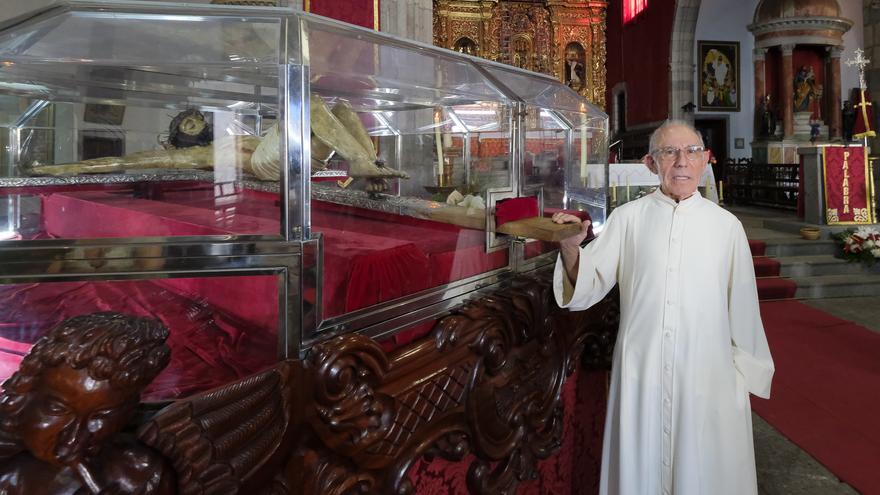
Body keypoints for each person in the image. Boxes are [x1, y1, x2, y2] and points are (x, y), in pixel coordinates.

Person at [551, 120, 774, 495]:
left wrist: (739, 380)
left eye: (690, 152)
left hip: (707, 376)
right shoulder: (628, 219)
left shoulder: (727, 227)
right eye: (669, 152)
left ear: (705, 160)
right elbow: (588, 284)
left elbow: (744, 310)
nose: (681, 162)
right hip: (643, 371)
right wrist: (571, 246)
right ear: (651, 164)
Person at [0, 312, 175, 494]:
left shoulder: (142, 475)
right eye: (57, 409)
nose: (73, 440)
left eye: (101, 417)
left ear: (126, 413)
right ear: (24, 397)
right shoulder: (10, 478)